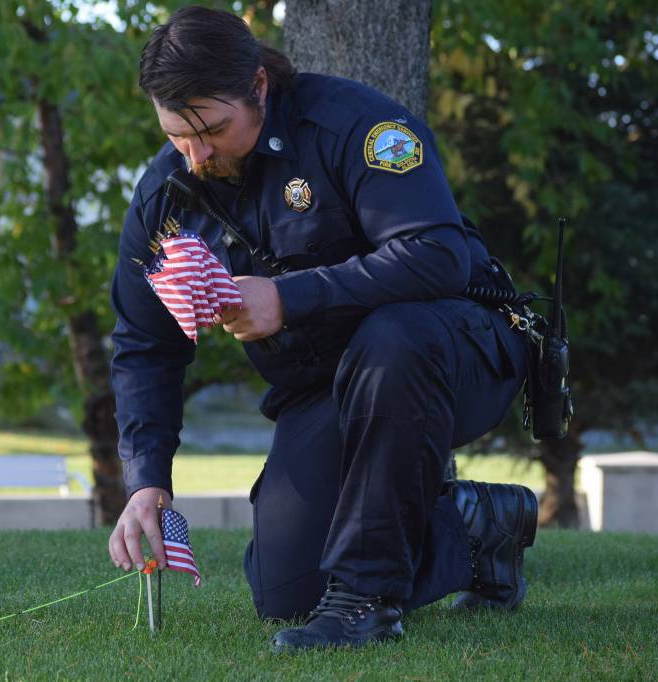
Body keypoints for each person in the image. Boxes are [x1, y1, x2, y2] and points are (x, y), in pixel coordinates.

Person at [107, 6, 538, 651]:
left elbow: (437, 255)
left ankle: (366, 602)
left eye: (215, 131)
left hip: (459, 350)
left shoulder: (355, 126)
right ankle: (477, 525)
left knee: (392, 340)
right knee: (284, 593)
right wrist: (147, 478)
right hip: (330, 388)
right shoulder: (167, 194)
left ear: (258, 87)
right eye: (177, 136)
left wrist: (287, 297)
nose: (196, 158)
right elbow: (143, 344)